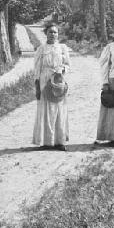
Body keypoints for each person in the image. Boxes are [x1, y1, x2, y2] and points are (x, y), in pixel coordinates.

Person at [32, 22, 70, 151]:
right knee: (46, 110)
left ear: (58, 34)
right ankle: (46, 142)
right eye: (50, 32)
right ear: (46, 34)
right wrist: (37, 85)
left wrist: (62, 69)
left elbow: (68, 65)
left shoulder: (63, 48)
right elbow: (37, 68)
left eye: (55, 32)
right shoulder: (41, 49)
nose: (53, 34)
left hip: (58, 80)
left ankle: (60, 141)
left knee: (59, 109)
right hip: (44, 80)